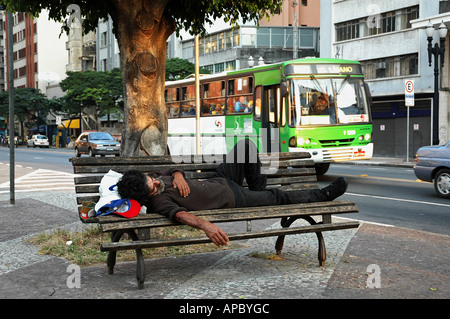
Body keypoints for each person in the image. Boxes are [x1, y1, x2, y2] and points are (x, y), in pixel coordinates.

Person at [117, 140, 348, 247]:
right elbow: (180, 216)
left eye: (152, 179)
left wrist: (177, 174)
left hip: (222, 179)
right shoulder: (160, 202)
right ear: (147, 195)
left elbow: (170, 168)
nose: (156, 183)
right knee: (277, 197)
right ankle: (323, 195)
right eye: (152, 186)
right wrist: (206, 226)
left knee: (245, 146)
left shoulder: (152, 178)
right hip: (233, 198)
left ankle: (259, 192)